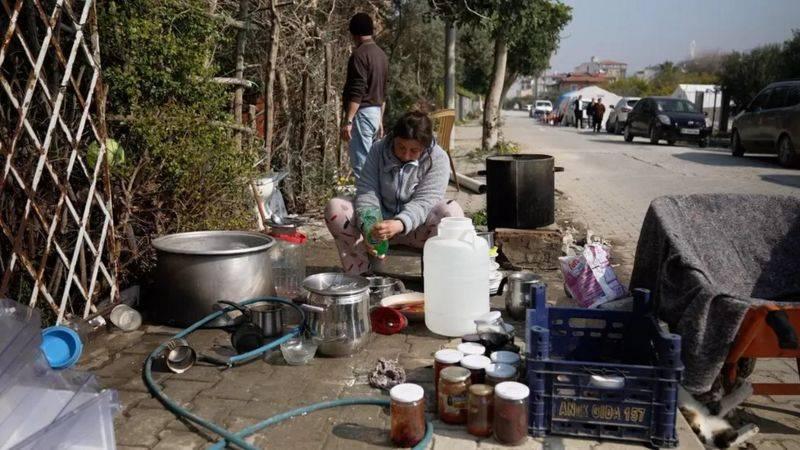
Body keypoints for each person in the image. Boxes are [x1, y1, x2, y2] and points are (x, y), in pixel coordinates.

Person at [325, 111, 464, 275]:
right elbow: (367, 191)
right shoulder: (378, 150)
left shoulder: (438, 158)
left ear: (425, 147)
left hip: (417, 230)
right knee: (336, 208)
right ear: (393, 139)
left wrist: (400, 223)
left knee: (452, 212)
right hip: (379, 229)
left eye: (414, 150)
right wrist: (370, 227)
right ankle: (361, 274)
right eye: (401, 147)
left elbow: (426, 201)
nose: (406, 155)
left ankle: (436, 278)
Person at [341, 13, 389, 180]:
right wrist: (380, 120)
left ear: (353, 33)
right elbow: (382, 92)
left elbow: (358, 90)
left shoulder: (359, 55)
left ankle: (368, 205)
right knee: (373, 166)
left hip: (362, 114)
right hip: (375, 114)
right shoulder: (381, 55)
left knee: (362, 168)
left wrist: (348, 120)